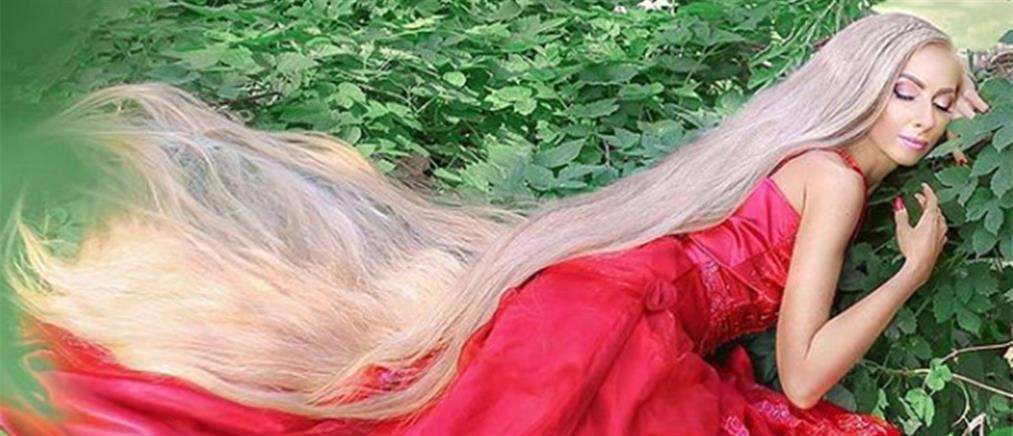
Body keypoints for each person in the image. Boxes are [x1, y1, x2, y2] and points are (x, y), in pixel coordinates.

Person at [0, 11, 992, 436]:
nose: (919, 116)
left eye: (940, 101)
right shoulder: (831, 182)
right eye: (902, 91)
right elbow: (805, 377)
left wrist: (968, 125)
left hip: (594, 296)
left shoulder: (809, 163)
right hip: (614, 322)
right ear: (858, 88)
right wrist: (911, 269)